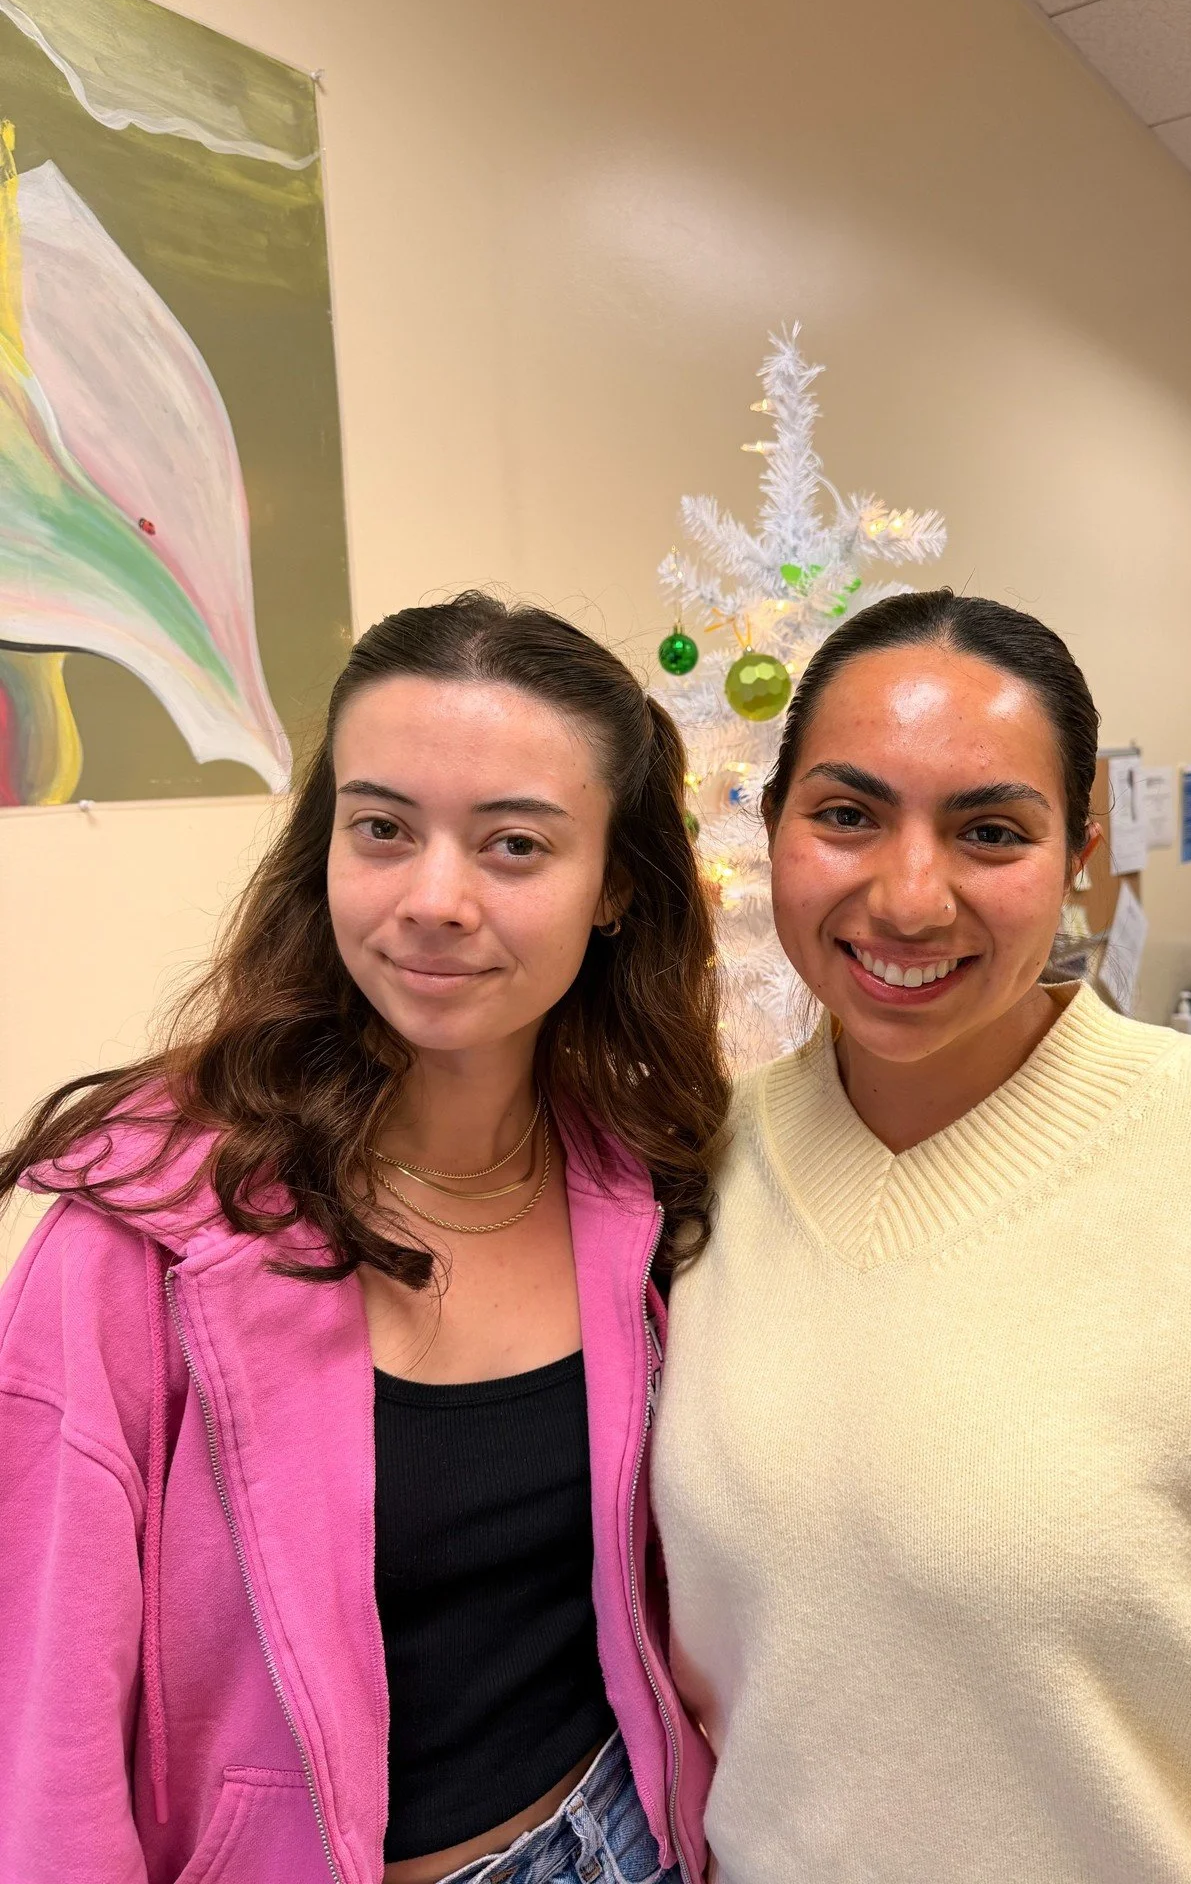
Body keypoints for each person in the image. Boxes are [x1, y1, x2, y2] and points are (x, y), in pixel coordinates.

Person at [652, 588, 1191, 1884]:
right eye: (847, 814)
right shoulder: (698, 1179)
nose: (910, 898)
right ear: (773, 824)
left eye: (989, 832)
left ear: (1075, 853)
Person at [0, 593, 725, 1884]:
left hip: (622, 1839)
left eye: (513, 847)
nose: (433, 899)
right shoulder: (142, 1233)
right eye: (383, 829)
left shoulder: (639, 1177)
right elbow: (41, 1725)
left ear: (615, 882)